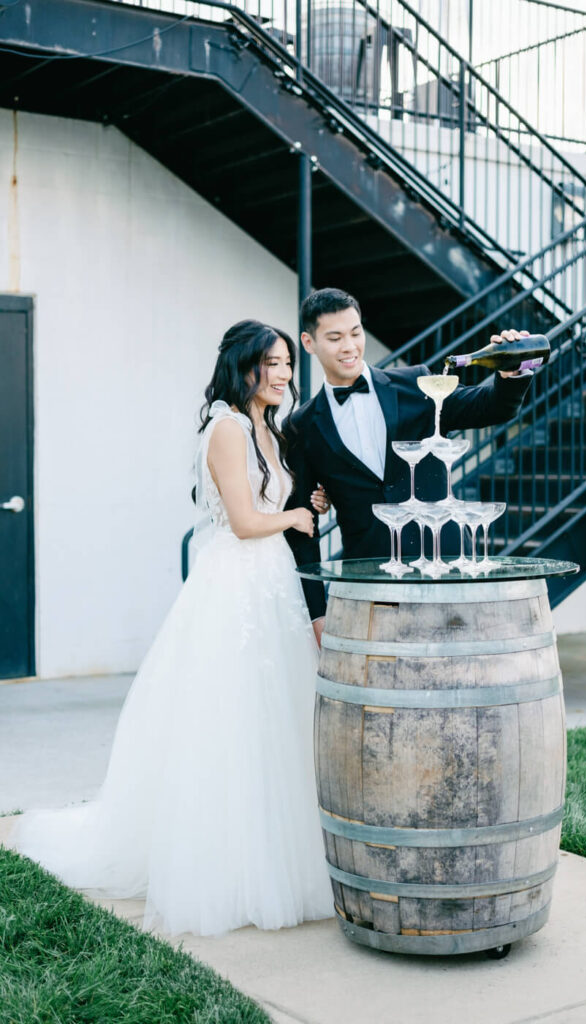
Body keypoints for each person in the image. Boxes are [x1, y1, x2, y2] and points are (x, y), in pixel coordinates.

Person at [15, 320, 334, 936]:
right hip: (235, 586)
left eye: (289, 365)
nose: (283, 375)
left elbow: (265, 505)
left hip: (270, 585)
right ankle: (227, 866)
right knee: (230, 723)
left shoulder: (265, 428)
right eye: (271, 363)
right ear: (243, 365)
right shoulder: (226, 427)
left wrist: (301, 507)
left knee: (276, 720)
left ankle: (279, 852)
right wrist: (292, 514)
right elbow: (243, 520)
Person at [283, 288, 534, 640]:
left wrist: (512, 374)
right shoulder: (300, 426)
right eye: (335, 337)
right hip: (367, 578)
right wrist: (317, 613)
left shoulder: (415, 384)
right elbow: (301, 528)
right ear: (309, 342)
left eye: (356, 333)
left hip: (446, 563)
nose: (350, 346)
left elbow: (488, 406)